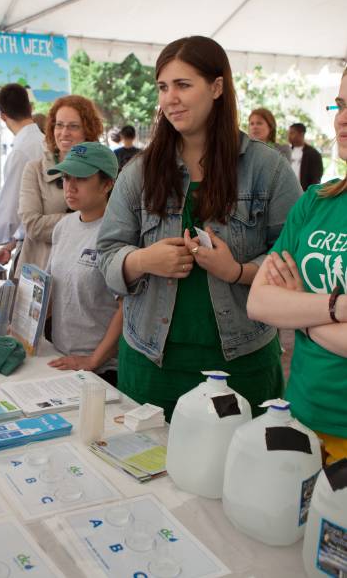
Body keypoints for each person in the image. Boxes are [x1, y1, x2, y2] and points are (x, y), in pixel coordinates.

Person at [97, 36, 303, 421]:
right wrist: (142, 259)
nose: (170, 98)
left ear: (217, 87)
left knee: (240, 476)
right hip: (150, 363)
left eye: (183, 85)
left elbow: (292, 258)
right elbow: (106, 255)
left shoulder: (268, 169)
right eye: (163, 87)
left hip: (241, 366)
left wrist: (238, 271)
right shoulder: (138, 172)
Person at [247, 69, 347, 464]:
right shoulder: (317, 202)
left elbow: (279, 306)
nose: (342, 118)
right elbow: (259, 302)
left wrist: (300, 308)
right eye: (340, 105)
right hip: (302, 416)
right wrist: (334, 308)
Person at [45, 142, 123, 386]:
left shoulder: (119, 232)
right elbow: (49, 289)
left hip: (103, 371)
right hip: (59, 359)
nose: (71, 186)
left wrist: (94, 360)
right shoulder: (63, 227)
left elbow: (127, 307)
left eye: (81, 178)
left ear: (107, 184)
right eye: (67, 178)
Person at [17, 95, 103, 272]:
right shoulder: (34, 170)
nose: (64, 133)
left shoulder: (103, 170)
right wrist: (83, 221)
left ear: (87, 130)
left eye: (73, 126)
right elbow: (32, 225)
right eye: (59, 125)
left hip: (84, 271)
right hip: (40, 272)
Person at [0, 83, 44, 266]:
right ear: (30, 108)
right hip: (40, 242)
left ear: (2, 116)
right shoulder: (44, 142)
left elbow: (9, 211)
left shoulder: (21, 152)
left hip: (33, 249)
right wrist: (9, 245)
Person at [288, 122, 324, 190]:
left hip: (304, 194)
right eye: (289, 133)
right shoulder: (286, 152)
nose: (289, 136)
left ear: (301, 134)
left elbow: (316, 177)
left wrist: (309, 193)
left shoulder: (313, 154)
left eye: (292, 133)